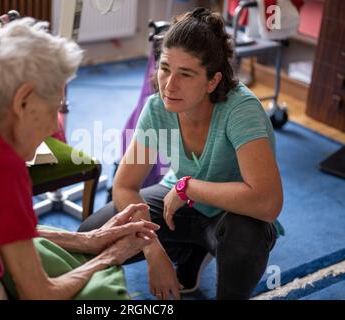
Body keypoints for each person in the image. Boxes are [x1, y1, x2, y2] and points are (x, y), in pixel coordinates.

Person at [0, 18, 159, 300]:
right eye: (55, 109)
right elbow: (40, 294)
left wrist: (88, 239)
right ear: (23, 100)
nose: (55, 127)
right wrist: (108, 257)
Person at [79, 7, 284, 300]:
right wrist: (152, 249)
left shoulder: (242, 110)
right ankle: (191, 249)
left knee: (244, 239)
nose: (169, 85)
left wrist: (188, 188)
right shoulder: (156, 108)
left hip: (232, 213)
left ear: (212, 81)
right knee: (93, 236)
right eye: (165, 69)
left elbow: (267, 202)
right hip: (178, 203)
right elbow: (125, 186)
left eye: (185, 74)